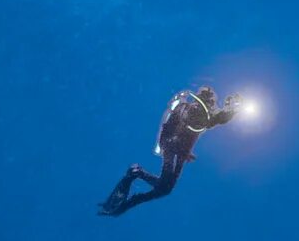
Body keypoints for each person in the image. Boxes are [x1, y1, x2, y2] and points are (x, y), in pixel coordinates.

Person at [100, 84, 238, 217]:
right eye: (210, 102)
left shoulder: (201, 114)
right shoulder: (190, 109)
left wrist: (231, 110)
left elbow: (217, 119)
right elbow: (207, 120)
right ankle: (134, 180)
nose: (211, 106)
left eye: (211, 104)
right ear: (204, 100)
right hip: (172, 148)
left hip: (180, 153)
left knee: (165, 189)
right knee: (164, 188)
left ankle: (136, 177)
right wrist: (229, 110)